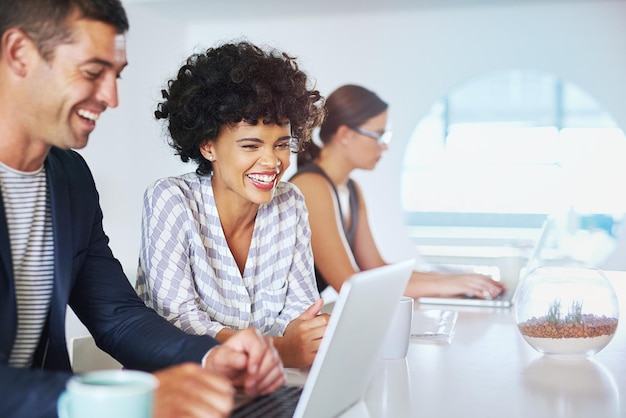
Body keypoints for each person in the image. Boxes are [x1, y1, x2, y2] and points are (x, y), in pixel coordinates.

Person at [0, 2, 284, 418]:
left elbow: (117, 315)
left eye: (116, 76)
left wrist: (211, 357)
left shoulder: (70, 177)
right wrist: (115, 399)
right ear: (19, 53)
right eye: (93, 73)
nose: (111, 97)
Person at [135, 41, 329, 369]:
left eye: (281, 144)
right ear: (208, 146)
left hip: (264, 388)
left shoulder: (290, 203)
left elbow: (301, 313)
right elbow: (179, 323)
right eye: (250, 145)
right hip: (182, 389)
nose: (272, 161)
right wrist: (282, 350)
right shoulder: (171, 200)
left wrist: (305, 336)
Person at [290, 84, 506, 299]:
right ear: (345, 134)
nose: (384, 146)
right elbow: (350, 285)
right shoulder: (312, 187)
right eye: (378, 135)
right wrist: (443, 286)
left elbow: (375, 268)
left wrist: (456, 280)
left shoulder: (351, 189)